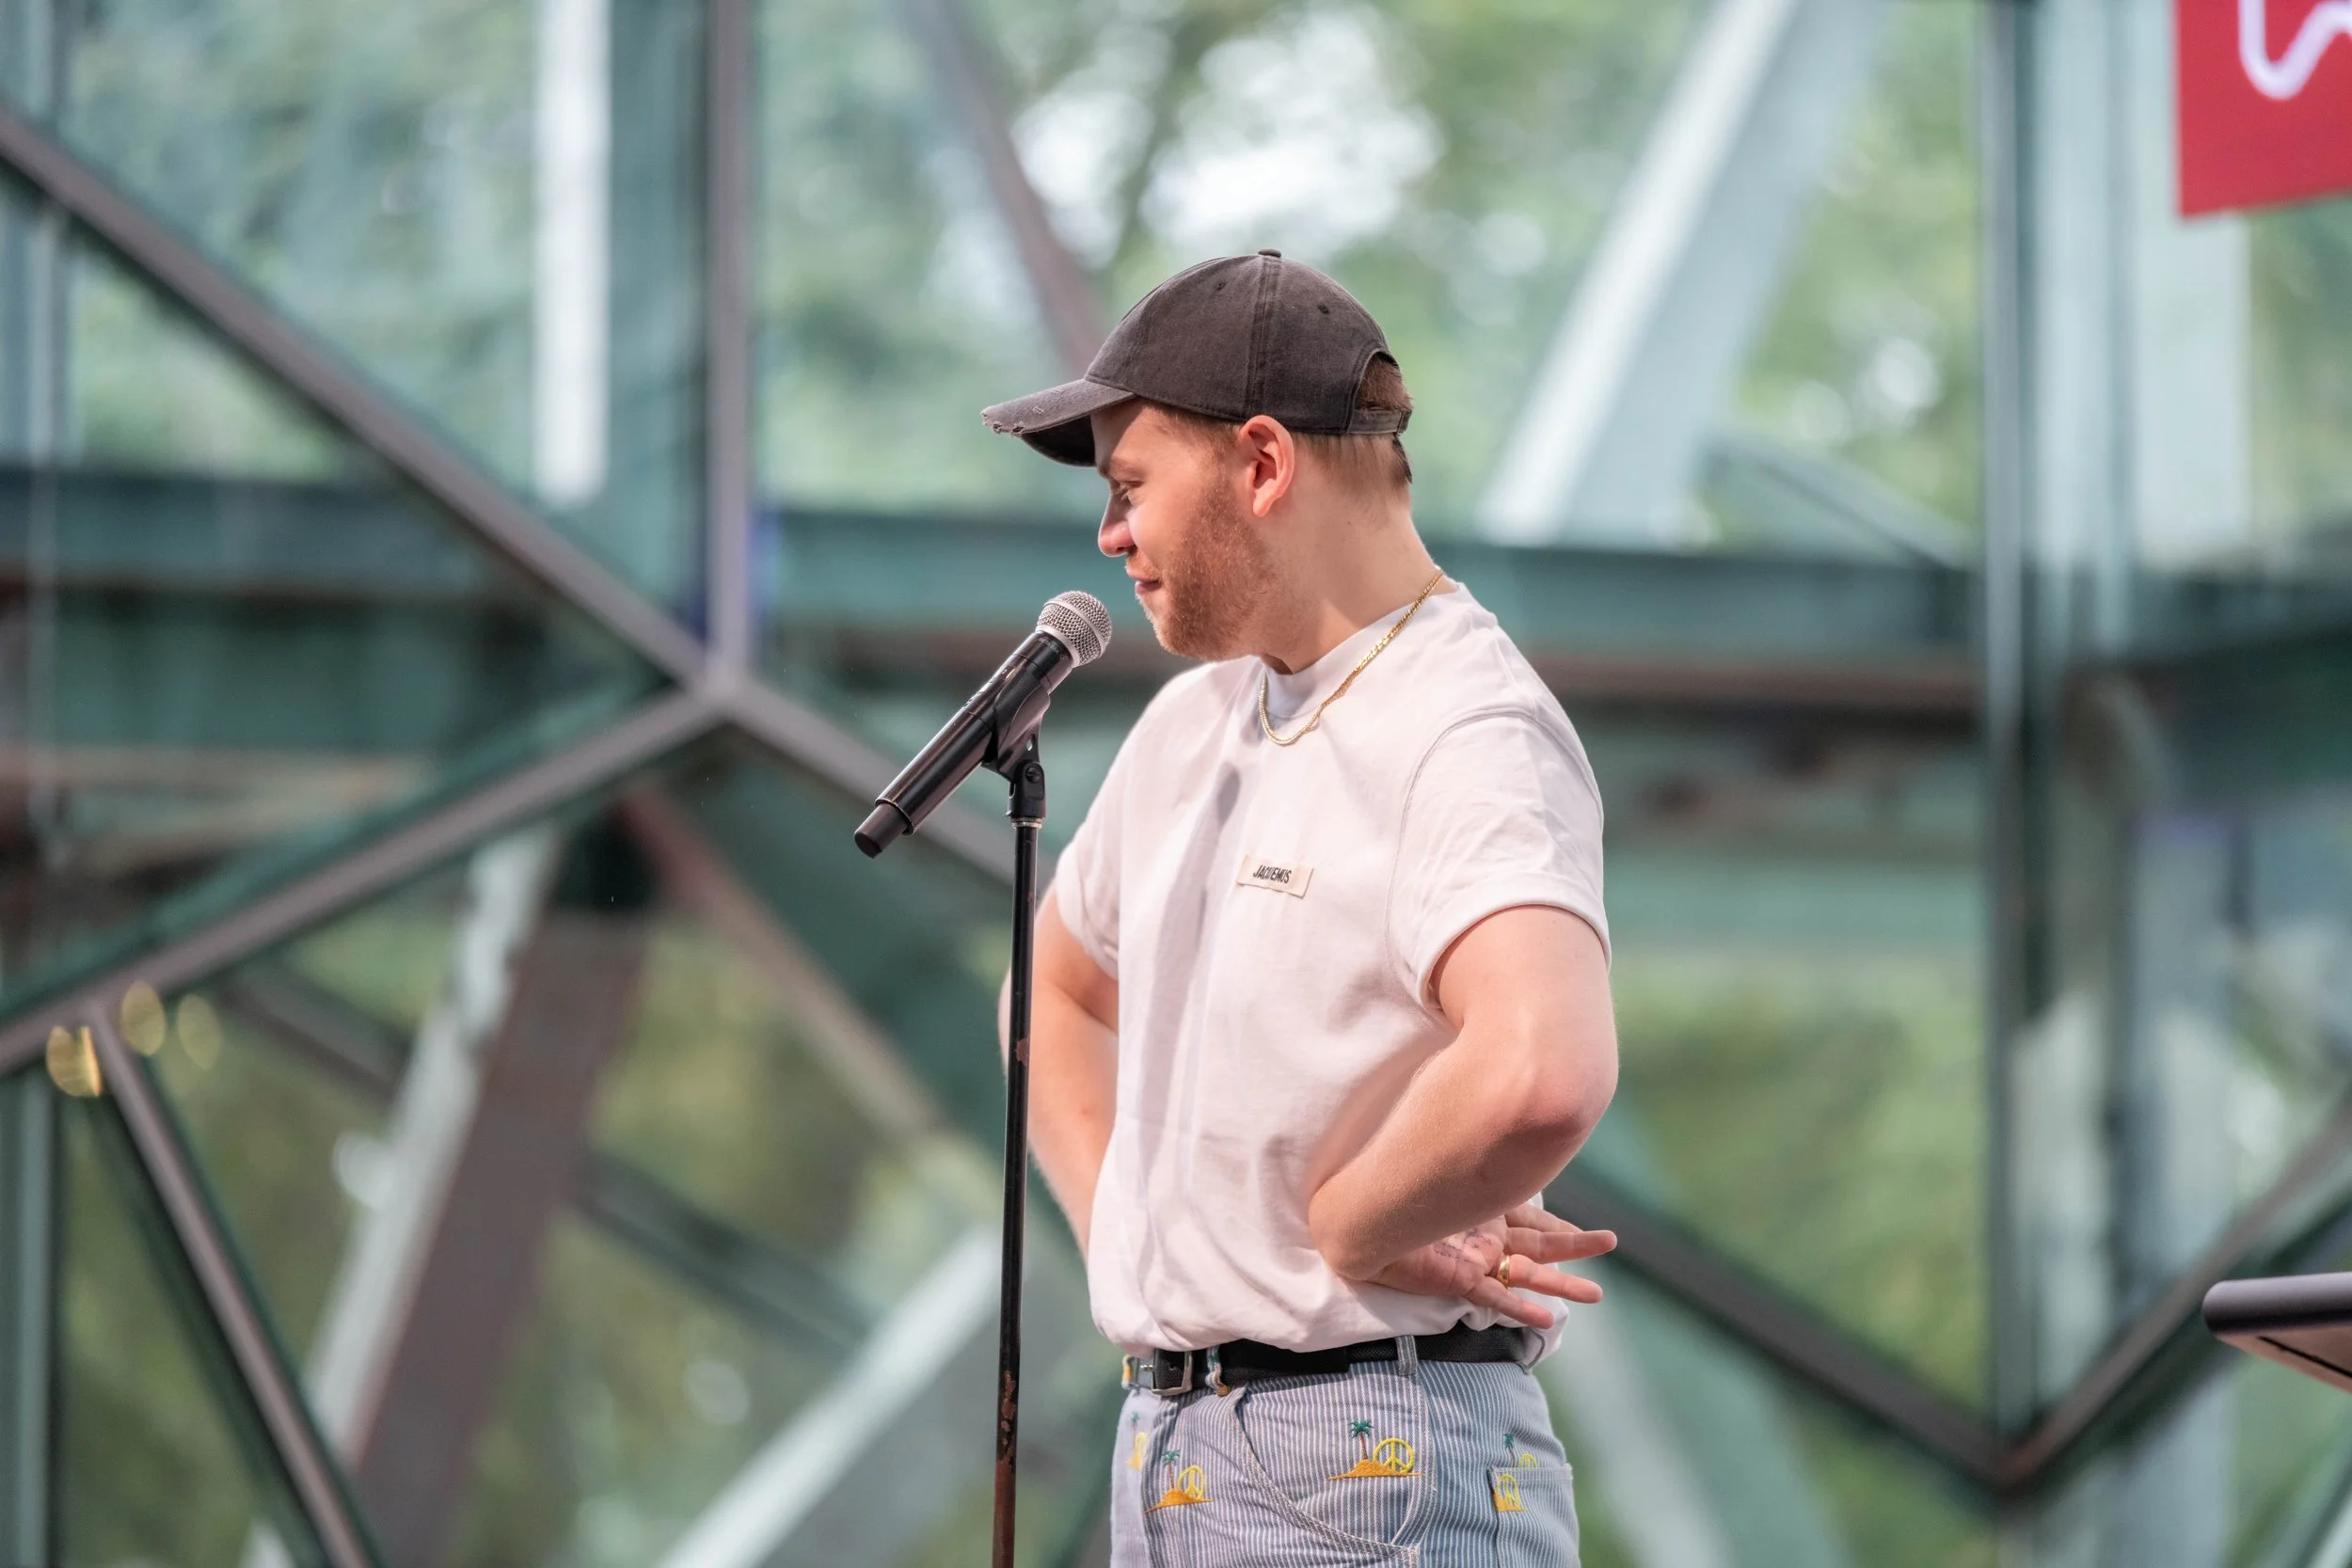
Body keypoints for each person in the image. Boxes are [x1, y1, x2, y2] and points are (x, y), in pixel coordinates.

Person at [983, 249, 1619, 1567]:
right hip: (1173, 1447)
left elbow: (1542, 1068)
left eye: (1130, 487)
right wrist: (1144, 1243)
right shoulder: (1193, 724)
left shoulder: (1466, 725)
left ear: (1262, 465)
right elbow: (1051, 988)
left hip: (1370, 1451)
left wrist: (1348, 1219)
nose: (1110, 536)